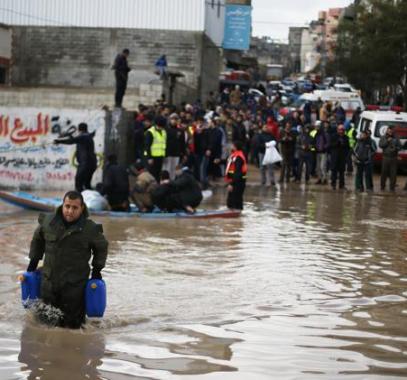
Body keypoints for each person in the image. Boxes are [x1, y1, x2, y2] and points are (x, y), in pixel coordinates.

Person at [26, 191, 108, 328]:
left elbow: (102, 247)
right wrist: (33, 262)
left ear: (82, 208)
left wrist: (97, 271)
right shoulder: (48, 222)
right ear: (62, 205)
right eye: (67, 206)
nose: (70, 211)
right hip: (48, 287)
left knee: (72, 331)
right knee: (43, 328)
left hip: (74, 291)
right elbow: (37, 239)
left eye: (75, 208)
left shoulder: (90, 229)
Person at [54, 123, 97, 192]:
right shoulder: (88, 136)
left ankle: (79, 200)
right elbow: (74, 139)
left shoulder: (84, 136)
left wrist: (59, 141)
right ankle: (88, 199)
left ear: (79, 129)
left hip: (85, 164)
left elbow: (71, 141)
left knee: (78, 183)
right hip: (92, 164)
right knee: (87, 184)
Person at [225, 141, 247, 210]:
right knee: (232, 202)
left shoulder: (238, 157)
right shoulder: (235, 155)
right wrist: (220, 161)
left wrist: (232, 184)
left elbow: (238, 172)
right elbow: (229, 162)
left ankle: (236, 217)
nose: (231, 147)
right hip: (236, 181)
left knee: (234, 202)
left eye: (232, 145)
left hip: (238, 182)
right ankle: (237, 217)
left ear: (235, 147)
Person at [144, 116, 167, 181]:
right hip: (152, 157)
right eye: (160, 126)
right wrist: (149, 157)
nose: (161, 128)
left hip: (160, 156)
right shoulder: (150, 132)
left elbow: (163, 144)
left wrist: (164, 155)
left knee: (158, 174)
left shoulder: (163, 132)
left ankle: (157, 187)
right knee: (152, 174)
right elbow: (147, 146)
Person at [379, 125, 402, 191]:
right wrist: (387, 141)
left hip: (394, 158)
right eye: (389, 129)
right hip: (385, 157)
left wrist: (396, 148)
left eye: (392, 130)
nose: (390, 131)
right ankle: (382, 187)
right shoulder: (383, 137)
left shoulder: (396, 138)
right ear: (387, 130)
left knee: (393, 174)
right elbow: (381, 145)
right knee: (384, 173)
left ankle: (392, 188)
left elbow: (400, 146)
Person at [330, 124, 350, 190]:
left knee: (342, 172)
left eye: (342, 130)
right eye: (340, 130)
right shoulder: (333, 136)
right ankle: (333, 184)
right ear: (337, 130)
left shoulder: (346, 137)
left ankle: (341, 185)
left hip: (342, 157)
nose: (341, 131)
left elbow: (348, 147)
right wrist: (337, 143)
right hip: (335, 157)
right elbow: (331, 145)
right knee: (334, 171)